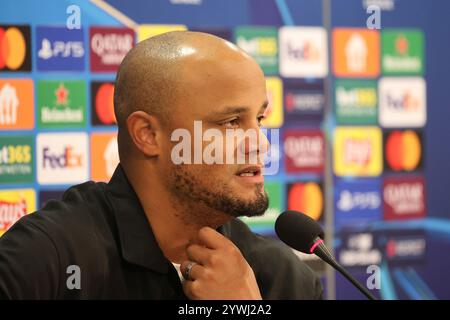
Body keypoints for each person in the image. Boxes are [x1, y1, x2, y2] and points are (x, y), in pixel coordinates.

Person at [0, 31, 323, 300]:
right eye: (230, 122)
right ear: (148, 134)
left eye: (260, 119)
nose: (261, 144)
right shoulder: (45, 260)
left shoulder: (284, 279)